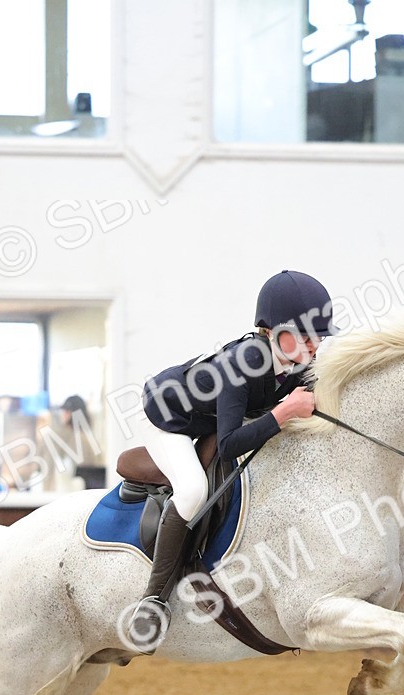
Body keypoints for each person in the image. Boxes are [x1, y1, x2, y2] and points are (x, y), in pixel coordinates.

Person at [129, 269, 336, 651]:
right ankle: (153, 600)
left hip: (205, 415)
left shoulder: (294, 363)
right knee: (192, 491)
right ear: (274, 331)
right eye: (306, 336)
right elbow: (227, 446)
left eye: (319, 337)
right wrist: (284, 412)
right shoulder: (246, 361)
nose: (314, 347)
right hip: (164, 414)